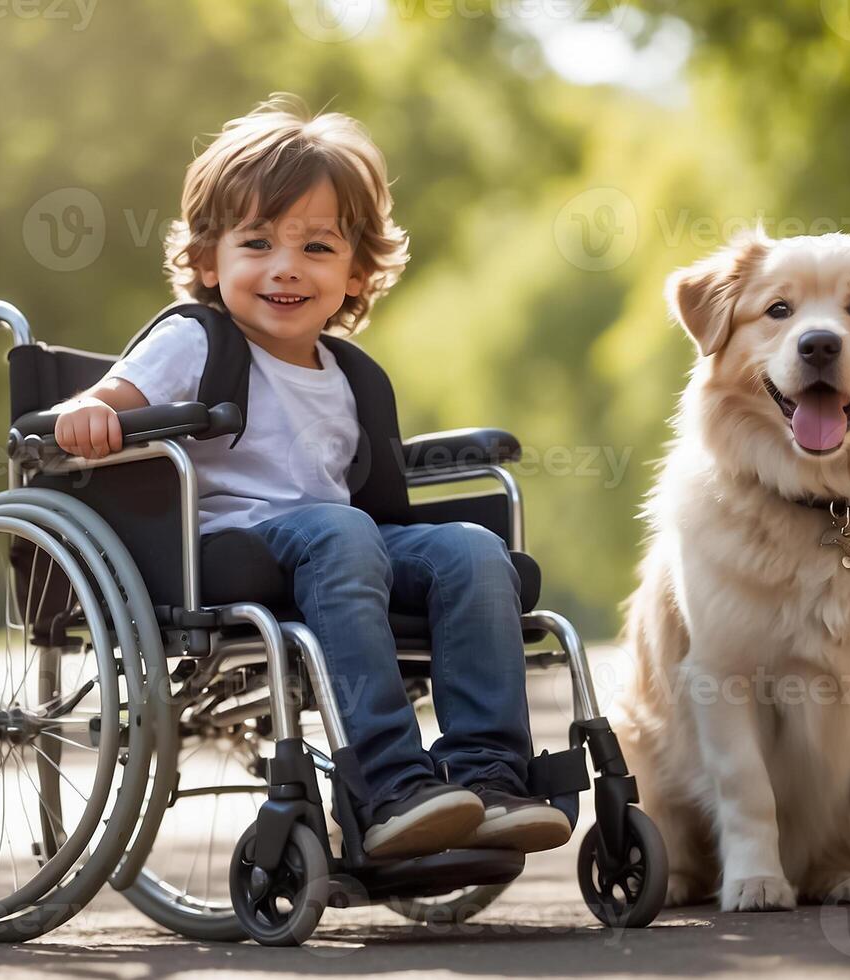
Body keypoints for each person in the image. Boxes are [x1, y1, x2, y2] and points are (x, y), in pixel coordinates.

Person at [51, 95, 569, 859]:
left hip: (343, 550)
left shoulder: (352, 374)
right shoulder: (192, 341)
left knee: (468, 549)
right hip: (227, 548)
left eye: (317, 249)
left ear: (357, 272)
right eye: (256, 243)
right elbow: (105, 402)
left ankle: (488, 776)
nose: (286, 268)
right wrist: (90, 412)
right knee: (341, 531)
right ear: (206, 260)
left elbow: (372, 489)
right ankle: (390, 782)